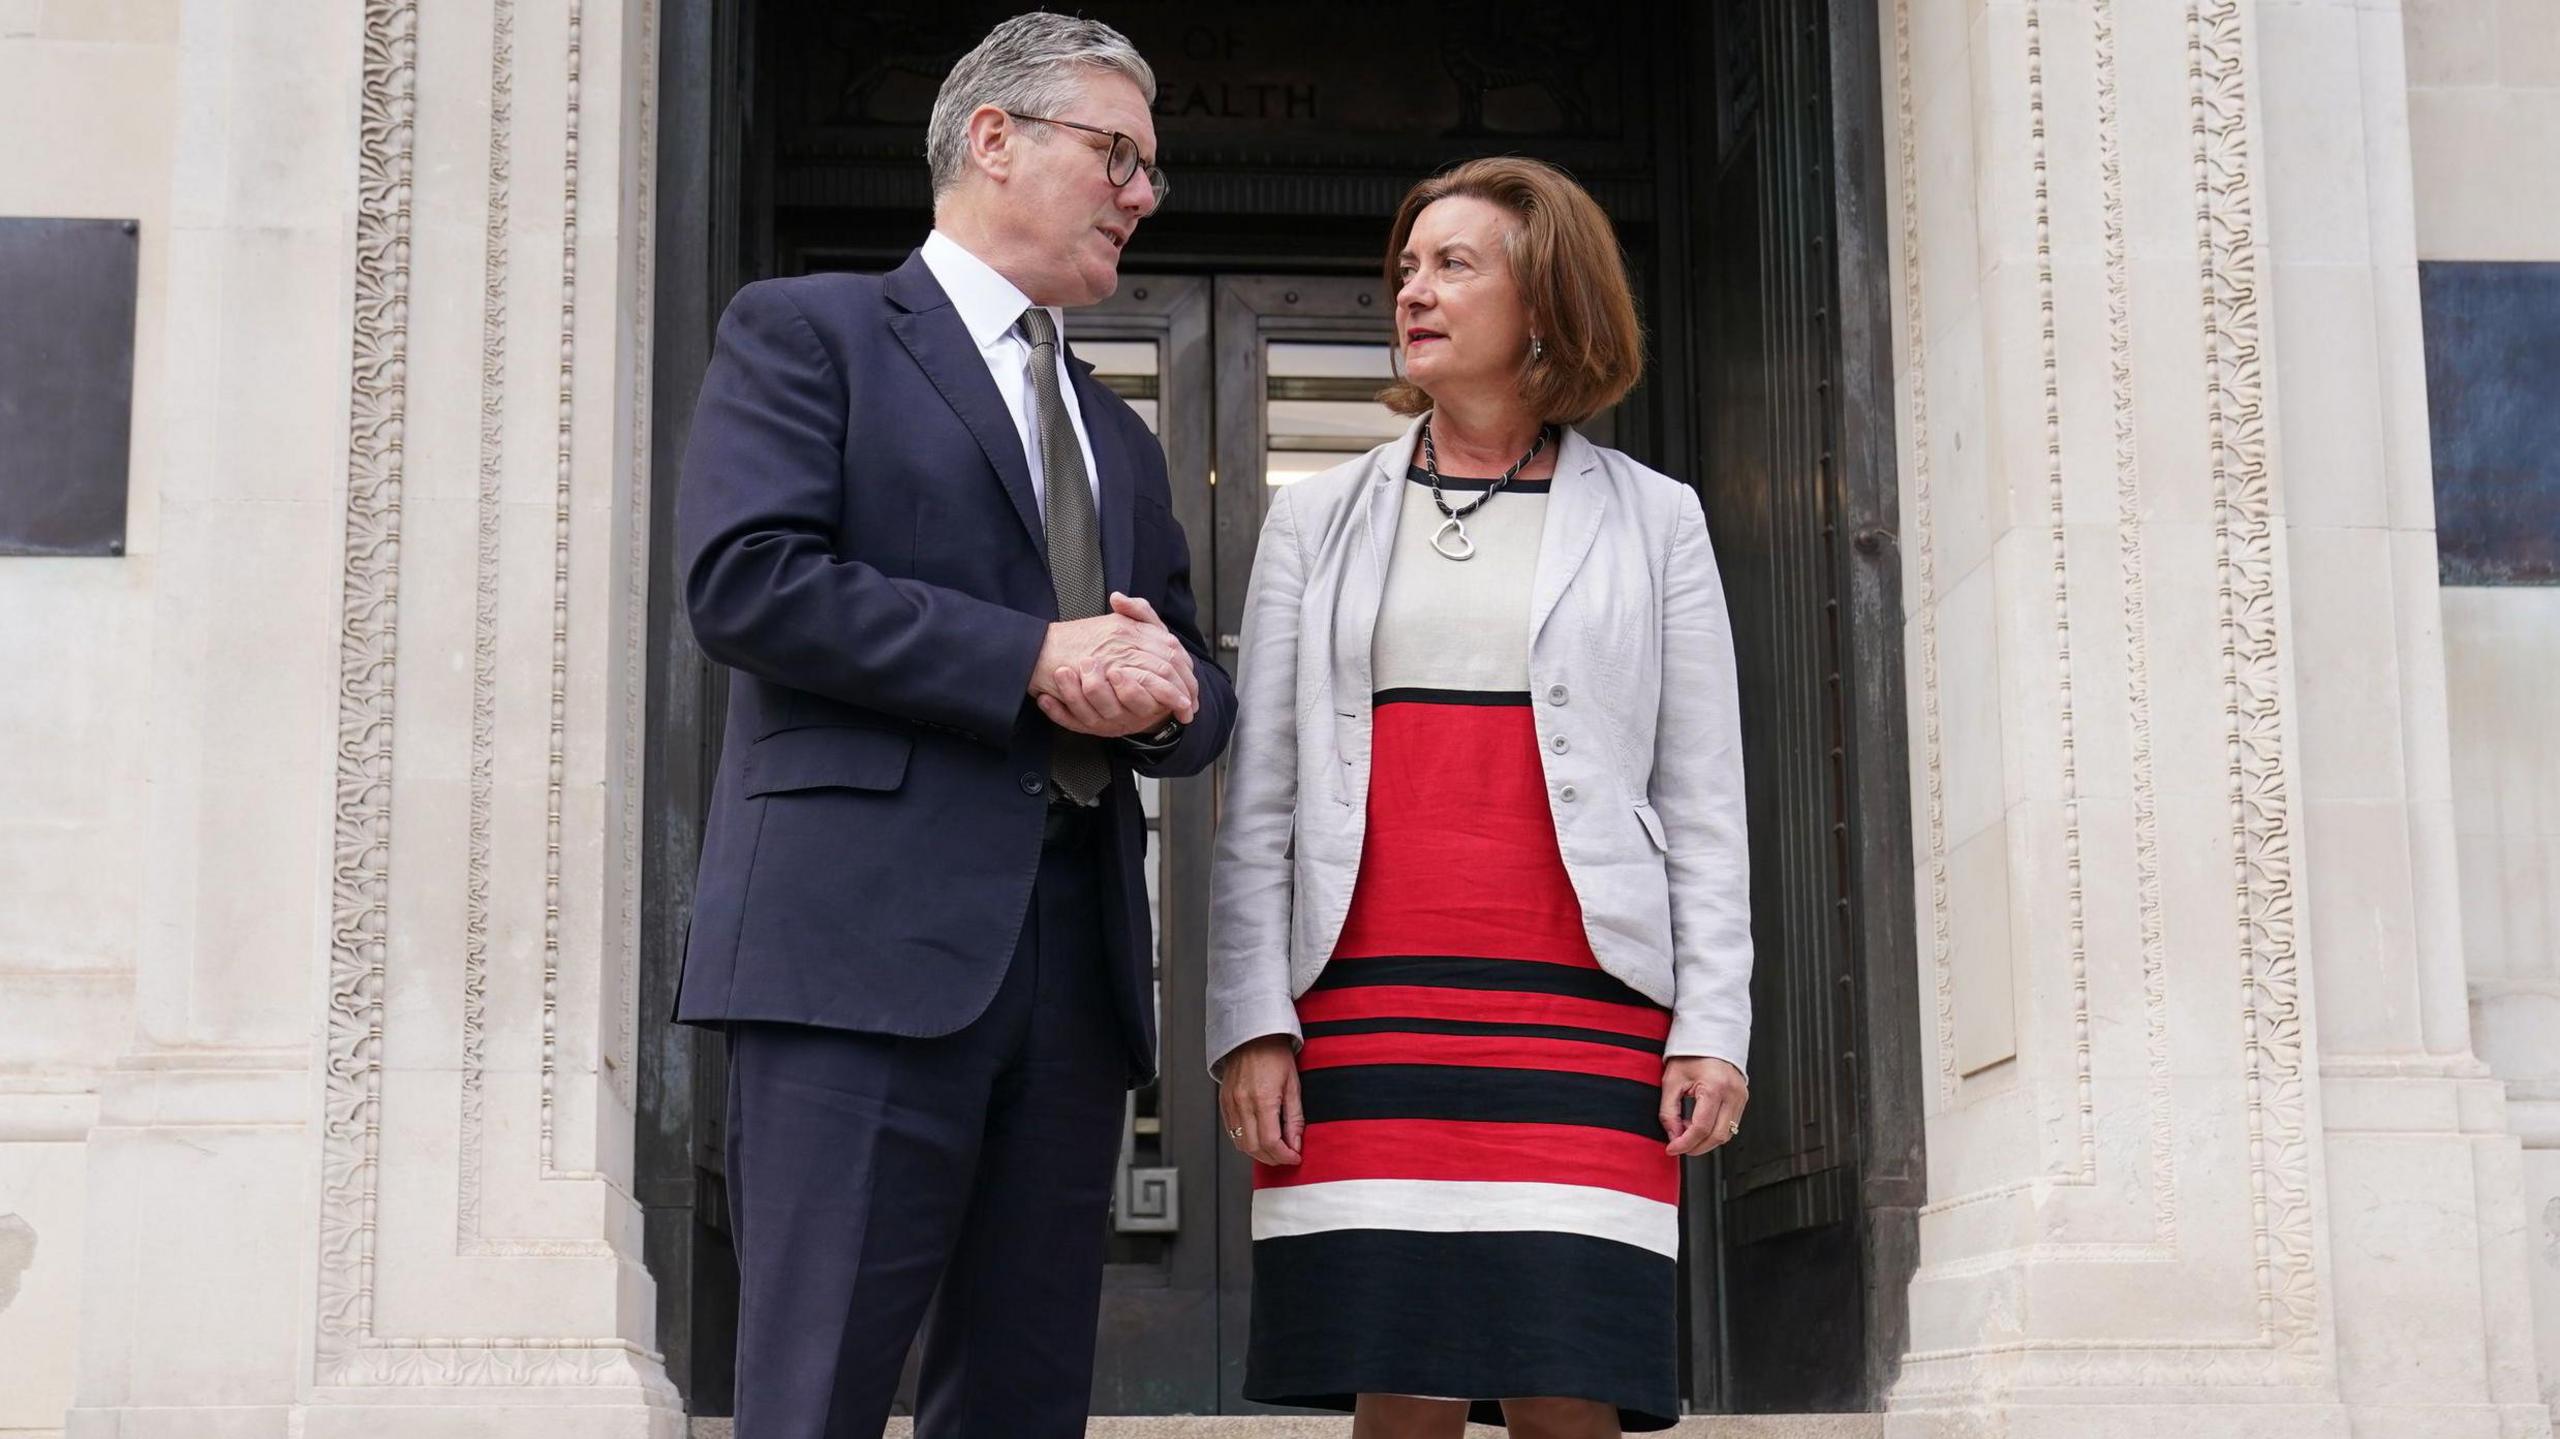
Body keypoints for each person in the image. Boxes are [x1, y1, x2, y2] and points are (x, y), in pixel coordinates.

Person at [671, 14, 1233, 1436]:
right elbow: (747, 580)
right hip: (855, 959)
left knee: (1026, 1397)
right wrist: (1031, 655)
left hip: (1071, 974)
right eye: (1119, 154)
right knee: (817, 1391)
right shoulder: (810, 332)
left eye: (1148, 170)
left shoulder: (1117, 432)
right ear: (994, 138)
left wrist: (1165, 688)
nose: (1142, 195)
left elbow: (1185, 670)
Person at [1205, 156, 1755, 1435]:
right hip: (1366, 990)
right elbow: (1262, 799)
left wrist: (1711, 1020)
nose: (1415, 288)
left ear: (1547, 302)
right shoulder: (1317, 520)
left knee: (1569, 1359)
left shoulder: (1656, 519)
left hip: (1585, 994)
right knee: (1399, 1364)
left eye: (1455, 264)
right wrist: (1251, 1018)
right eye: (1407, 265)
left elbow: (1705, 792)